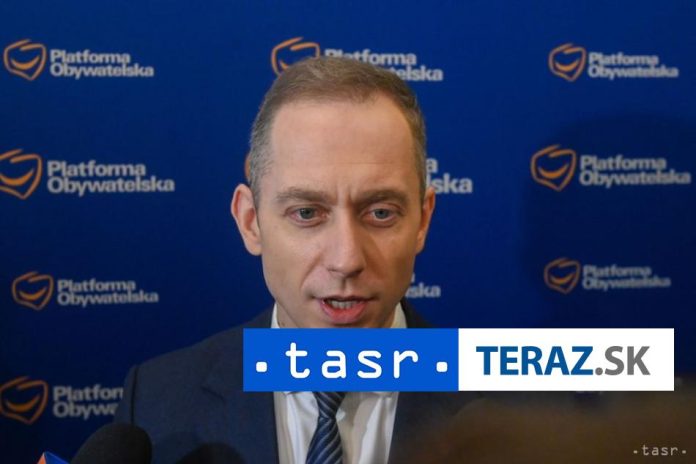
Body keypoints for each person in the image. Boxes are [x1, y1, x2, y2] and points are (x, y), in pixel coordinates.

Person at [114, 56, 474, 464]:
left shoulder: (520, 411)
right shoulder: (157, 402)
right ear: (251, 222)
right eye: (306, 213)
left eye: (380, 213)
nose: (346, 260)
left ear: (422, 221)